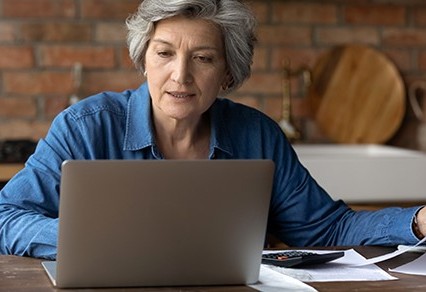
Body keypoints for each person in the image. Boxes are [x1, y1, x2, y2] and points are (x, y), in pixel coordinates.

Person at [0, 0, 425, 260]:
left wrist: (419, 222)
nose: (180, 76)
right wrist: (91, 236)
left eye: (203, 58)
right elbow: (6, 218)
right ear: (143, 59)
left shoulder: (257, 135)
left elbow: (326, 230)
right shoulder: (85, 127)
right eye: (164, 54)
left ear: (227, 74)